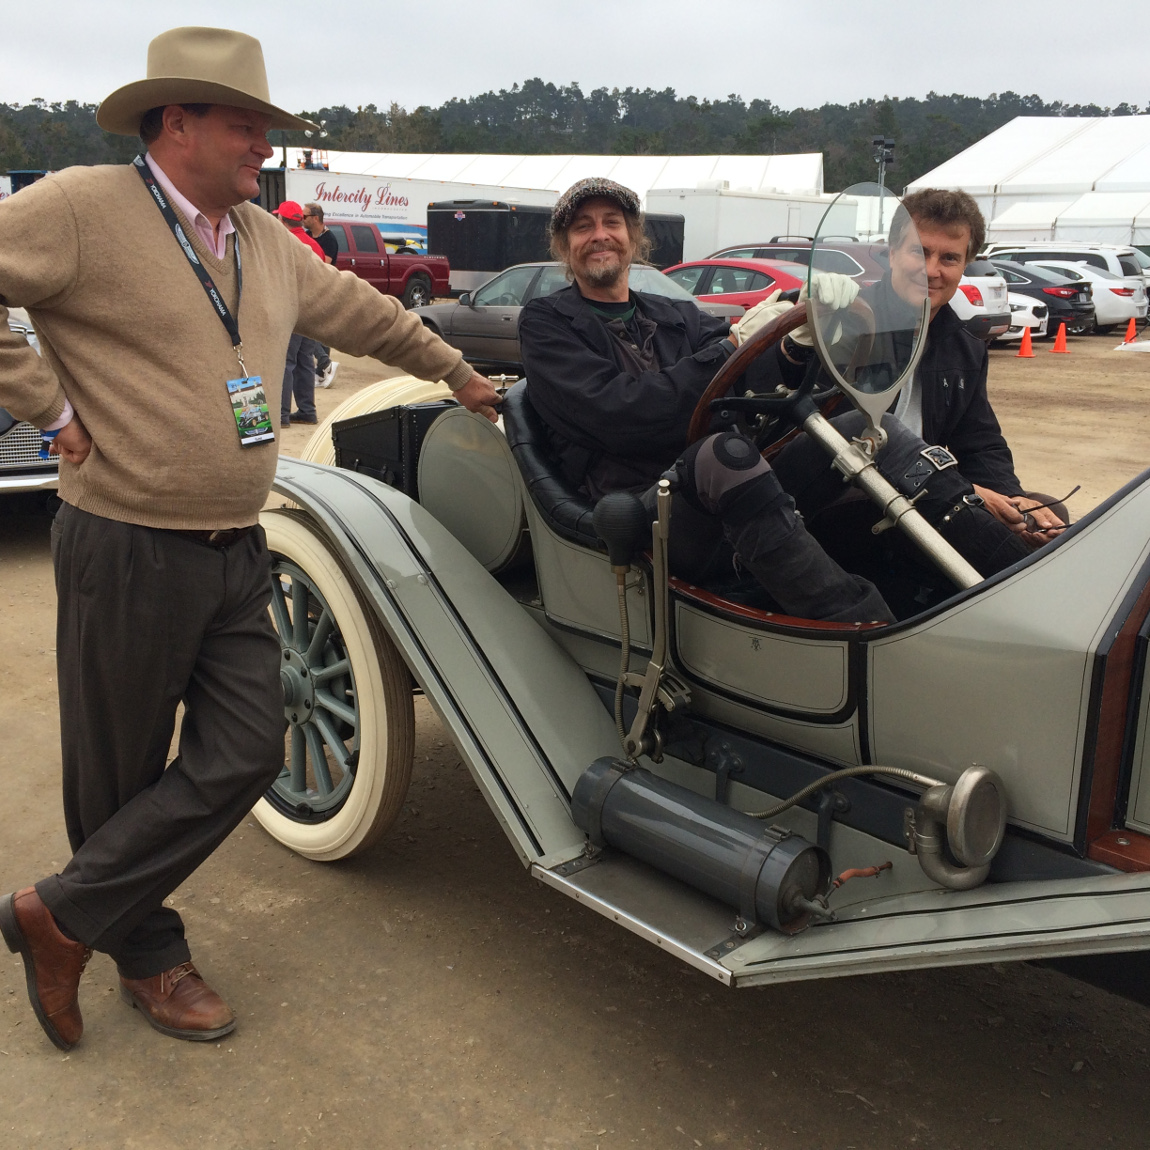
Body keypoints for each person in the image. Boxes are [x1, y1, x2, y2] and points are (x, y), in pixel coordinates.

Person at [0, 25, 499, 1051]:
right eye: (246, 126)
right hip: (126, 540)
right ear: (175, 122)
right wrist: (47, 412)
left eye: (266, 130)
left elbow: (365, 313)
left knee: (247, 749)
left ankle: (57, 913)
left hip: (235, 544)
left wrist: (457, 371)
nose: (263, 147)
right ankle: (148, 955)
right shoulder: (81, 209)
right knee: (119, 773)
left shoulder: (264, 238)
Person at [520, 178, 1029, 624]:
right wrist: (731, 346)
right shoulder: (546, 324)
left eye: (612, 222)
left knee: (867, 431)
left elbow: (746, 384)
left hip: (729, 492)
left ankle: (1024, 578)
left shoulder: (680, 314)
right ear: (564, 245)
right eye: (583, 227)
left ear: (634, 236)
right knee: (724, 455)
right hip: (646, 507)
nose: (600, 235)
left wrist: (789, 347)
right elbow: (622, 415)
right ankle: (868, 630)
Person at [893, 189, 1066, 546]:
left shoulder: (966, 348)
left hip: (932, 494)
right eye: (919, 251)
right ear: (891, 252)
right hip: (862, 497)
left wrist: (1014, 498)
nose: (931, 270)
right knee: (978, 526)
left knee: (1047, 516)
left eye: (949, 258)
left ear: (965, 265)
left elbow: (980, 442)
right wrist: (963, 490)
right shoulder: (847, 327)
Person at [274, 200, 326, 425]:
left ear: (282, 220)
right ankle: (307, 411)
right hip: (312, 310)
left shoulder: (284, 243)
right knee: (305, 360)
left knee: (286, 361)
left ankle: (282, 414)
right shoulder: (313, 244)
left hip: (291, 310)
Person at [302, 203, 339, 388]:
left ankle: (324, 363)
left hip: (325, 288)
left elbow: (324, 264)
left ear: (315, 218)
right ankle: (323, 369)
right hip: (309, 287)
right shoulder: (308, 236)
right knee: (315, 329)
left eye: (305, 216)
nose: (302, 219)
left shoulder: (329, 239)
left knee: (318, 330)